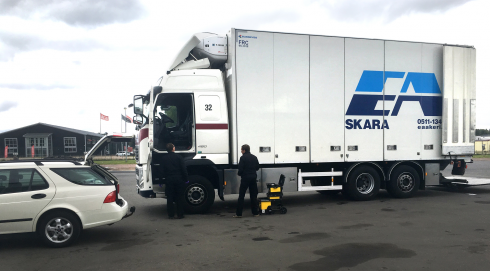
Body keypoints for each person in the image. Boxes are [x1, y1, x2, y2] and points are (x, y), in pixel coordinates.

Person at [161, 143, 189, 219]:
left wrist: (161, 181)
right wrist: (186, 179)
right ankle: (180, 214)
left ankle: (171, 214)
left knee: (170, 197)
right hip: (179, 179)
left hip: (169, 180)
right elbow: (184, 169)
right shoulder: (179, 157)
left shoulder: (164, 158)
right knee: (179, 197)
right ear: (173, 149)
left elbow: (162, 171)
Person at [234, 144, 260, 218]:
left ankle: (239, 213)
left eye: (241, 150)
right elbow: (257, 167)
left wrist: (239, 174)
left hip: (245, 178)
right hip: (253, 178)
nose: (241, 151)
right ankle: (255, 212)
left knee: (241, 196)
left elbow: (240, 169)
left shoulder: (242, 158)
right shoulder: (254, 157)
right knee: (253, 195)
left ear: (244, 150)